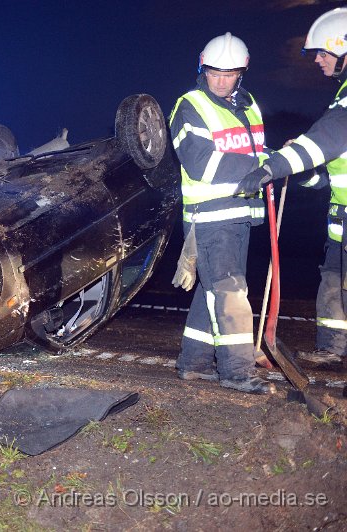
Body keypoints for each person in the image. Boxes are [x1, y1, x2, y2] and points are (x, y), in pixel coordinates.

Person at [236, 7, 347, 368]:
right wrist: (300, 174)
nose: (316, 59)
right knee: (333, 281)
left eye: (323, 52)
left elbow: (324, 140)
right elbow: (330, 171)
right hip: (341, 220)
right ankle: (333, 348)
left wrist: (275, 166)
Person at [169, 32, 275, 394]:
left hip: (241, 213)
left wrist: (273, 158)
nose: (220, 81)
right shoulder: (189, 106)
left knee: (212, 288)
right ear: (202, 68)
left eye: (228, 74)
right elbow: (200, 162)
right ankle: (237, 371)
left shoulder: (249, 106)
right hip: (210, 216)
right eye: (213, 73)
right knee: (229, 292)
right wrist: (263, 165)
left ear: (241, 74)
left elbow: (252, 152)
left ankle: (194, 363)